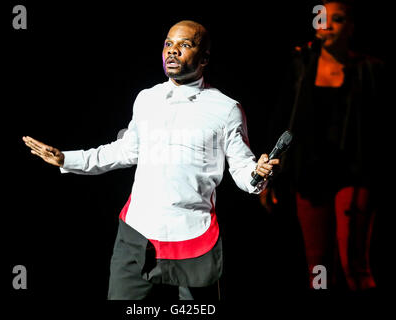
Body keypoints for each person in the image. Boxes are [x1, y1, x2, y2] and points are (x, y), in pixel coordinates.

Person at [23, 20, 279, 300]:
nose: (173, 51)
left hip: (192, 238)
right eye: (169, 44)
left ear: (205, 58)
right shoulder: (147, 99)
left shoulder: (226, 109)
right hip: (137, 234)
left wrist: (258, 173)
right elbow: (123, 151)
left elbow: (244, 172)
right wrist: (66, 159)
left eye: (185, 45)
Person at [263, 0, 385, 290]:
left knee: (353, 261)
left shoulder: (368, 70)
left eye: (338, 19)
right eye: (322, 18)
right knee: (317, 264)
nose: (327, 24)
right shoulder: (301, 67)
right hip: (310, 175)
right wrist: (269, 176)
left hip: (353, 174)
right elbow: (282, 121)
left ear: (351, 27)